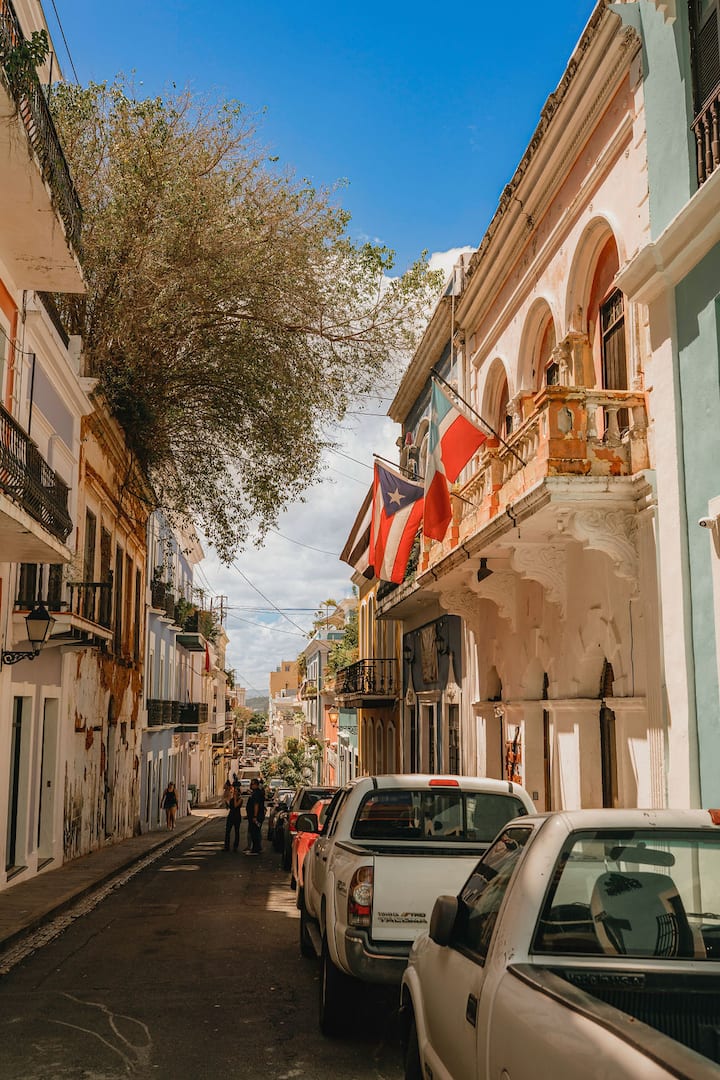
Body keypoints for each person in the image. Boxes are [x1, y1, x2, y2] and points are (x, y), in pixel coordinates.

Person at [244, 778, 265, 855]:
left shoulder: (256, 793)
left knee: (254, 832)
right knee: (256, 831)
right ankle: (257, 847)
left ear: (256, 785)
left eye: (252, 784)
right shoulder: (257, 793)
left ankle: (255, 849)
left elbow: (256, 805)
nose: (250, 785)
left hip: (256, 816)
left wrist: (255, 816)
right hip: (256, 816)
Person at [224, 783, 243, 852]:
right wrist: (227, 802)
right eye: (234, 791)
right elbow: (229, 807)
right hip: (231, 815)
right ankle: (226, 846)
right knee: (227, 831)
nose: (234, 792)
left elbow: (235, 805)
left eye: (236, 791)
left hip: (237, 816)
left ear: (238, 792)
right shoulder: (232, 798)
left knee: (236, 831)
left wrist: (235, 798)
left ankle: (235, 846)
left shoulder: (240, 799)